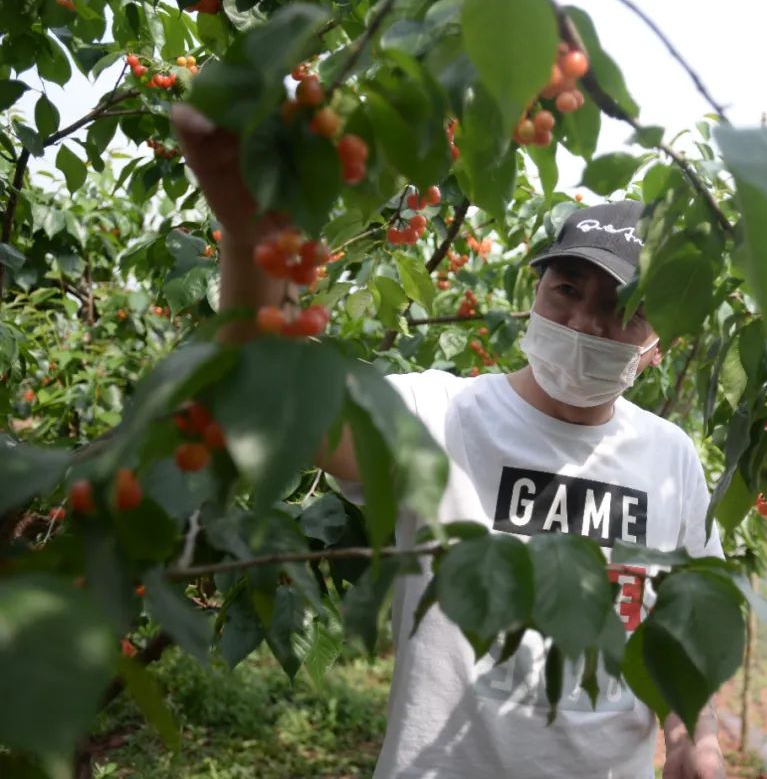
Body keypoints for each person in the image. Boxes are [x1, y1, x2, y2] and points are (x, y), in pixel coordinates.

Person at [172, 104, 726, 779]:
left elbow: (688, 628)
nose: (584, 321)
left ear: (659, 342)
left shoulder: (672, 462)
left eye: (621, 308)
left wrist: (695, 734)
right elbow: (272, 409)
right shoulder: (440, 415)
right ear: (535, 293)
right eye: (567, 290)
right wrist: (245, 239)